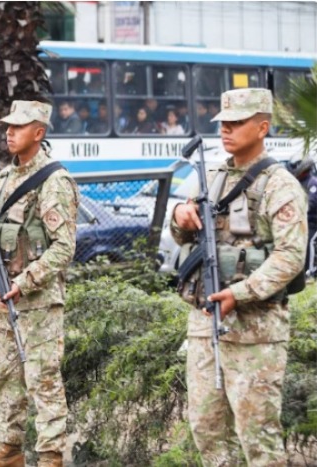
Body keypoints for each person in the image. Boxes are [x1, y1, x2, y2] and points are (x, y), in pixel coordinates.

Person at [171, 88, 307, 466]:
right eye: (223, 123)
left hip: (256, 332)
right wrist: (180, 216)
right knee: (207, 428)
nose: (226, 130)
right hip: (204, 325)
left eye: (237, 123)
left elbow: (291, 256)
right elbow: (182, 234)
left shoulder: (279, 184)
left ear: (263, 127)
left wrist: (241, 292)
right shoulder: (210, 176)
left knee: (257, 436)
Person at [0, 100, 79, 467]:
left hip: (37, 301)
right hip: (1, 293)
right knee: (5, 375)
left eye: (18, 127)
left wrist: (28, 280)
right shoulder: (3, 176)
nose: (9, 132)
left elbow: (64, 247)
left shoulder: (54, 180)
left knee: (43, 380)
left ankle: (49, 457)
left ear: (39, 132)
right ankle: (10, 449)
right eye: (8, 126)